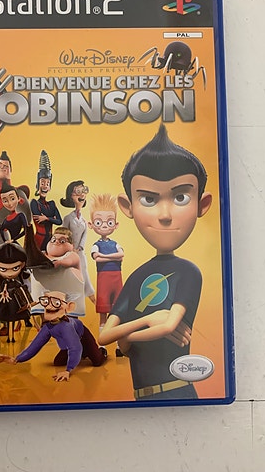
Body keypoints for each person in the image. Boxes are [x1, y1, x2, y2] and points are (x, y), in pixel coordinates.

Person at [98, 125, 212, 401]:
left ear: (202, 205)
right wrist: (149, 320)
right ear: (128, 206)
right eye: (148, 198)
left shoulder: (188, 272)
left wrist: (127, 335)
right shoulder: (136, 276)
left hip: (177, 391)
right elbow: (104, 337)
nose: (165, 215)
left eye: (181, 197)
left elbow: (168, 326)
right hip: (140, 397)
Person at [0, 290, 107, 381]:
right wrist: (17, 359)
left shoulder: (67, 326)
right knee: (58, 362)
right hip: (68, 345)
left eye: (56, 303)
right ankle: (83, 354)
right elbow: (35, 345)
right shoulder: (48, 327)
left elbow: (75, 348)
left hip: (83, 338)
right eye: (46, 301)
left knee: (97, 361)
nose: (49, 305)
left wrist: (68, 370)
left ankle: (102, 351)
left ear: (69, 307)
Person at [88, 193, 124, 348]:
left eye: (109, 222)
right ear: (91, 225)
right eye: (98, 222)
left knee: (117, 314)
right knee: (103, 315)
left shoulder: (115, 243)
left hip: (117, 280)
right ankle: (102, 346)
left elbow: (121, 255)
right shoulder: (96, 245)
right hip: (103, 281)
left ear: (116, 225)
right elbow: (97, 258)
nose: (104, 226)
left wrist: (104, 256)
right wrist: (112, 257)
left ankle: (119, 346)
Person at [0, 242, 34, 342]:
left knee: (13, 319)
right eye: (3, 269)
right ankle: (9, 336)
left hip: (16, 302)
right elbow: (3, 289)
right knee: (8, 319)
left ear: (22, 265)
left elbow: (23, 291)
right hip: (7, 302)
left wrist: (28, 302)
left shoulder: (18, 283)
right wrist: (3, 293)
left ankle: (11, 336)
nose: (9, 273)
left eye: (15, 268)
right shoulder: (3, 282)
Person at [61, 180, 96, 305]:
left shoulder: (84, 221)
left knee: (85, 277)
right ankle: (66, 304)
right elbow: (63, 235)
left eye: (83, 191)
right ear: (71, 196)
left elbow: (84, 236)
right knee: (70, 278)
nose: (82, 195)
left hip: (80, 254)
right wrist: (70, 248)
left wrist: (79, 248)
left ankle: (96, 303)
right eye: (78, 191)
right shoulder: (67, 218)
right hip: (69, 254)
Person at [30, 150, 62, 251]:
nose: (45, 186)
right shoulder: (34, 203)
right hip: (39, 239)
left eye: (47, 184)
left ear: (50, 187)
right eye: (42, 183)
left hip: (51, 240)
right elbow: (39, 221)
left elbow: (59, 221)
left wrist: (47, 218)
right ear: (37, 185)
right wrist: (51, 218)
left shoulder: (51, 204)